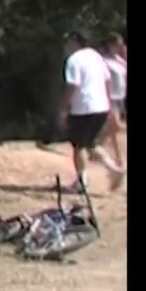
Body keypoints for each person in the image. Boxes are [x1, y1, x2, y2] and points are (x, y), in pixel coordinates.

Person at [57, 30, 125, 193]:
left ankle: (82, 181)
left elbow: (72, 85)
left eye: (67, 43)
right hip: (101, 106)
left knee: (78, 146)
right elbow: (107, 80)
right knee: (90, 144)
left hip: (83, 108)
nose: (66, 46)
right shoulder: (95, 56)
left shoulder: (74, 60)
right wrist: (109, 103)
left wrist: (63, 109)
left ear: (75, 42)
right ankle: (113, 170)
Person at [99, 34, 128, 168]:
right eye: (117, 44)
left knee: (112, 130)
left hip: (120, 97)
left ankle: (96, 147)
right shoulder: (104, 61)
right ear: (110, 45)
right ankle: (119, 158)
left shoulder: (121, 61)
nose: (120, 47)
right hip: (109, 97)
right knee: (116, 126)